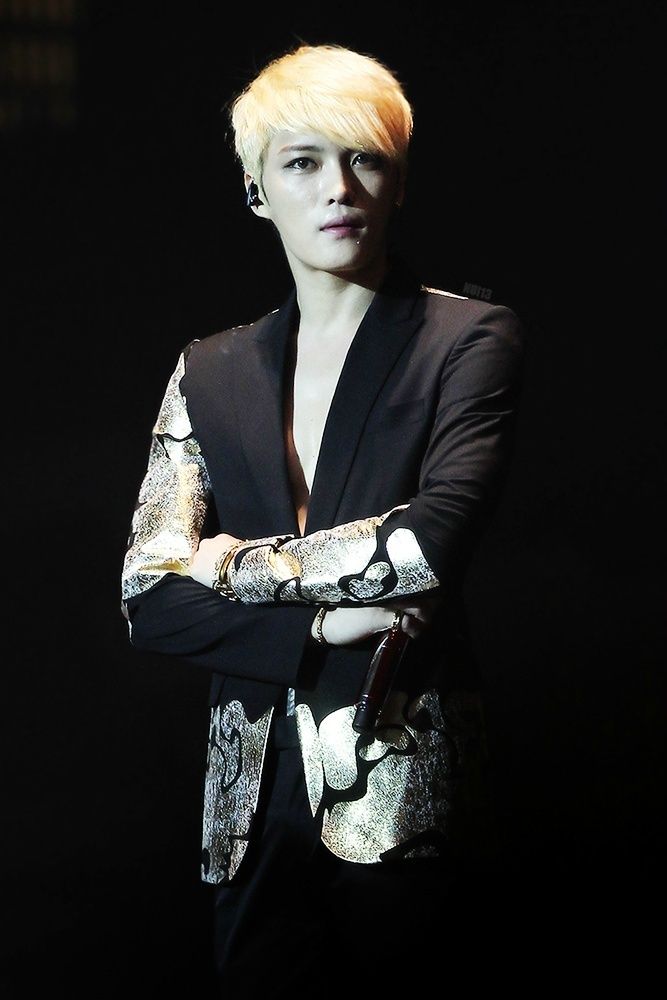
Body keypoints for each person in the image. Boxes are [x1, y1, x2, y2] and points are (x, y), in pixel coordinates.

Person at [120, 43, 526, 991]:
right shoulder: (208, 368)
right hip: (246, 808)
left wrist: (224, 565)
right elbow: (146, 597)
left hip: (405, 783)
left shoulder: (468, 338)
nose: (337, 188)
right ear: (256, 189)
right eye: (302, 162)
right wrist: (317, 626)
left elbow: (426, 544)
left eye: (364, 159)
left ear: (398, 181)